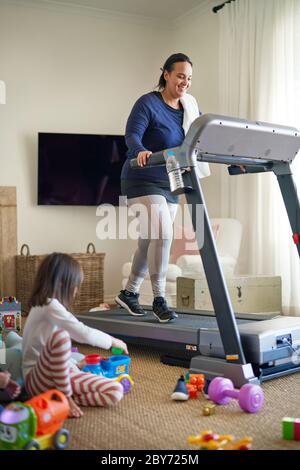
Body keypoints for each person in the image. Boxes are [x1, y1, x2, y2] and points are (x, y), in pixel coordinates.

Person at [115, 53, 210, 323]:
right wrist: (140, 149)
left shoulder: (189, 107)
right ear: (166, 74)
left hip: (169, 181)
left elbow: (202, 137)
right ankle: (159, 299)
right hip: (141, 177)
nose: (185, 82)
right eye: (180, 75)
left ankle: (129, 292)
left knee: (150, 239)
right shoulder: (148, 103)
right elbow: (132, 133)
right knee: (164, 233)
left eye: (189, 78)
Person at [22, 253, 128, 418]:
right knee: (62, 337)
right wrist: (114, 341)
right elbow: (82, 333)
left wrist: (74, 363)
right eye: (76, 285)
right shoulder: (49, 305)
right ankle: (65, 396)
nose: (77, 291)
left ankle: (62, 398)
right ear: (63, 283)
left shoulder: (45, 306)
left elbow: (51, 354)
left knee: (115, 390)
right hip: (37, 379)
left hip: (53, 377)